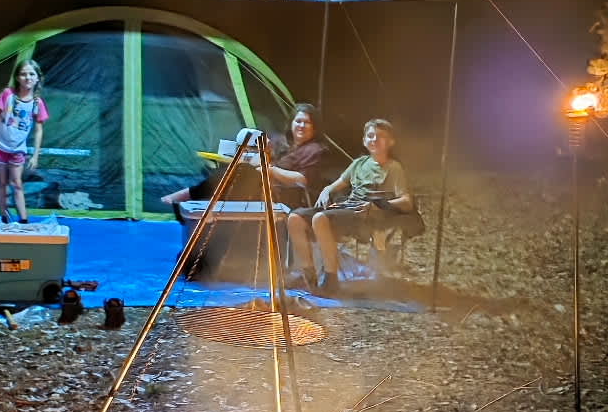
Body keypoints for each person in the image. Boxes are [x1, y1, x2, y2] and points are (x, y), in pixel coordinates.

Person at [287, 116, 417, 296]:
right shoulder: (359, 163)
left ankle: (331, 280)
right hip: (348, 207)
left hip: (365, 215)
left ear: (391, 142)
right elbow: (339, 183)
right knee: (295, 218)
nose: (374, 139)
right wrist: (327, 190)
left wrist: (379, 205)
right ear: (364, 141)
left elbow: (406, 201)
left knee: (320, 218)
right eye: (370, 136)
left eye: (380, 136)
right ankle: (309, 277)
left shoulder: (393, 168)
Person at [161, 104, 334, 215]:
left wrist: (269, 169)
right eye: (298, 121)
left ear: (315, 127)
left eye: (307, 123)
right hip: (260, 186)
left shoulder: (316, 150)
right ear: (291, 123)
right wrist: (263, 150)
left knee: (242, 172)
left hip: (282, 195)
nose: (301, 126)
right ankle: (193, 200)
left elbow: (302, 180)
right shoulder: (282, 143)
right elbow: (263, 155)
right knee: (225, 169)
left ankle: (188, 195)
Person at [0, 61, 48, 225]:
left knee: (17, 183)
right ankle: (4, 217)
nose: (27, 77)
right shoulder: (8, 94)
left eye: (31, 74)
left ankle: (24, 219)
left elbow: (39, 129)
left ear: (37, 78)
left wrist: (35, 156)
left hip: (17, 149)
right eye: (23, 74)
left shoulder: (36, 103)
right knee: (2, 182)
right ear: (18, 77)